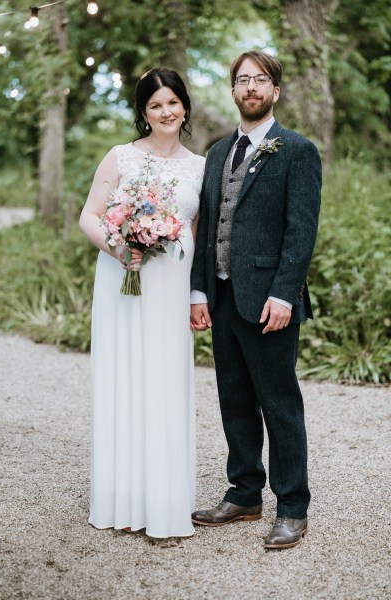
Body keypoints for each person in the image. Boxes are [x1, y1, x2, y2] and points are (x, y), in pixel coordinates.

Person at [190, 51, 321, 549]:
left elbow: (301, 231)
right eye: (243, 80)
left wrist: (285, 294)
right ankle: (244, 492)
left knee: (279, 403)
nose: (251, 87)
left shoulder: (297, 150)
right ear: (233, 90)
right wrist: (199, 290)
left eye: (260, 80)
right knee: (234, 399)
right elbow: (208, 230)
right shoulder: (219, 151)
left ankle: (292, 506)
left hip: (270, 302)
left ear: (275, 91)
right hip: (223, 298)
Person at [80, 68, 205, 538]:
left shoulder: (199, 165)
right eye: (155, 105)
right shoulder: (120, 158)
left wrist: (197, 295)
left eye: (172, 102)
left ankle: (166, 499)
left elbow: (197, 236)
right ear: (143, 113)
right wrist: (117, 247)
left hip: (172, 291)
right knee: (125, 377)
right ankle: (121, 498)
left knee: (165, 382)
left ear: (185, 107)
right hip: (123, 283)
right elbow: (90, 215)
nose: (165, 112)